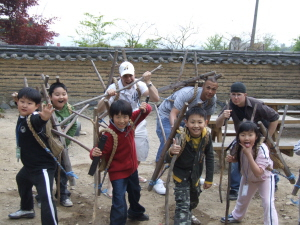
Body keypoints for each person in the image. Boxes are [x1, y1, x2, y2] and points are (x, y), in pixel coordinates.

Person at [97, 61, 159, 197]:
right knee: (115, 154)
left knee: (139, 151)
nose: (128, 79)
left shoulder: (139, 84)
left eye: (130, 75)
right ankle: (111, 184)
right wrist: (108, 96)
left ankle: (133, 173)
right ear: (120, 76)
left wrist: (149, 82)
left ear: (134, 74)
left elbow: (155, 98)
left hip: (136, 121)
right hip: (119, 124)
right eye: (125, 76)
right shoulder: (114, 87)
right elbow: (99, 109)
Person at [90, 99, 151, 225]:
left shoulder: (131, 122)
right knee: (119, 201)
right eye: (118, 117)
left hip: (132, 169)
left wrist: (145, 107)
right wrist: (93, 153)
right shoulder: (109, 135)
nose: (122, 120)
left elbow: (145, 112)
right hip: (118, 173)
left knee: (135, 193)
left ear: (129, 116)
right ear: (112, 116)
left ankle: (135, 212)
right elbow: (98, 152)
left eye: (125, 116)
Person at [216, 82, 279, 200]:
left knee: (263, 161)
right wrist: (222, 117)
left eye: (238, 94)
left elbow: (275, 117)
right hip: (242, 138)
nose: (235, 98)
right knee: (235, 157)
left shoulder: (256, 104)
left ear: (245, 95)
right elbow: (218, 125)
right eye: (233, 94)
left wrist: (267, 139)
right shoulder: (229, 106)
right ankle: (235, 188)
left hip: (259, 138)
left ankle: (273, 180)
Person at [155, 77, 218, 195]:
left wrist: (202, 132)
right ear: (203, 86)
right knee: (169, 141)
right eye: (208, 88)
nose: (210, 91)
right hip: (167, 115)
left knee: (194, 143)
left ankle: (193, 175)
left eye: (213, 89)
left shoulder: (212, 99)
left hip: (189, 119)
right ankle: (157, 179)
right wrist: (177, 131)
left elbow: (207, 118)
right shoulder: (188, 93)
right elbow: (173, 114)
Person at [8, 87, 58, 225]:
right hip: (30, 166)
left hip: (43, 168)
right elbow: (22, 106)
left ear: (36, 106)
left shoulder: (33, 118)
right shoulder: (23, 115)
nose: (24, 105)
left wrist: (44, 118)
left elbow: (38, 121)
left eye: (29, 103)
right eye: (22, 102)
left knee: (46, 197)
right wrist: (17, 99)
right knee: (22, 179)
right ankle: (27, 209)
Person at [221, 121, 278, 224]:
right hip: (247, 178)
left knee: (268, 203)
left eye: (250, 135)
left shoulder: (262, 148)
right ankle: (236, 216)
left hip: (264, 179)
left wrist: (248, 154)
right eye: (243, 135)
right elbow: (239, 158)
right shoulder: (238, 146)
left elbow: (259, 172)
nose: (246, 138)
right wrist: (233, 159)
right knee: (242, 199)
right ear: (238, 136)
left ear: (256, 136)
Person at [165, 106, 214, 225]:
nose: (196, 126)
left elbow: (210, 157)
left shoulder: (206, 136)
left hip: (195, 176)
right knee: (182, 205)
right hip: (181, 176)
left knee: (193, 200)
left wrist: (209, 179)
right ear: (186, 123)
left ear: (206, 123)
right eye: (192, 122)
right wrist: (171, 151)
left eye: (199, 122)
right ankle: (183, 220)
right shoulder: (180, 136)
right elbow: (166, 159)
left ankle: (189, 214)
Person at [35, 82, 77, 207]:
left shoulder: (70, 109)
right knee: (46, 172)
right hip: (46, 148)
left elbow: (74, 125)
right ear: (50, 96)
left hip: (62, 147)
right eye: (57, 94)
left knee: (63, 171)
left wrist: (65, 141)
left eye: (64, 94)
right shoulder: (45, 109)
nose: (61, 97)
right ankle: (42, 197)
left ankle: (63, 195)